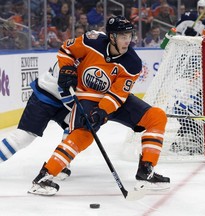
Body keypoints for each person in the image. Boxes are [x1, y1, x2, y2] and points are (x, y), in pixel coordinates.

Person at [28, 16, 170, 196]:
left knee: (156, 117)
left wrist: (103, 110)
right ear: (111, 37)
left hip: (113, 99)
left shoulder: (132, 63)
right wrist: (66, 68)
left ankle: (146, 171)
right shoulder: (91, 41)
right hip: (86, 94)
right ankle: (44, 176)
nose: (128, 41)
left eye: (129, 36)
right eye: (123, 36)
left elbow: (118, 94)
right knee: (84, 134)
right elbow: (66, 50)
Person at [0, 64, 74, 179]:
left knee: (77, 128)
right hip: (45, 96)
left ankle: (58, 163)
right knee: (23, 137)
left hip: (67, 102)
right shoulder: (76, 51)